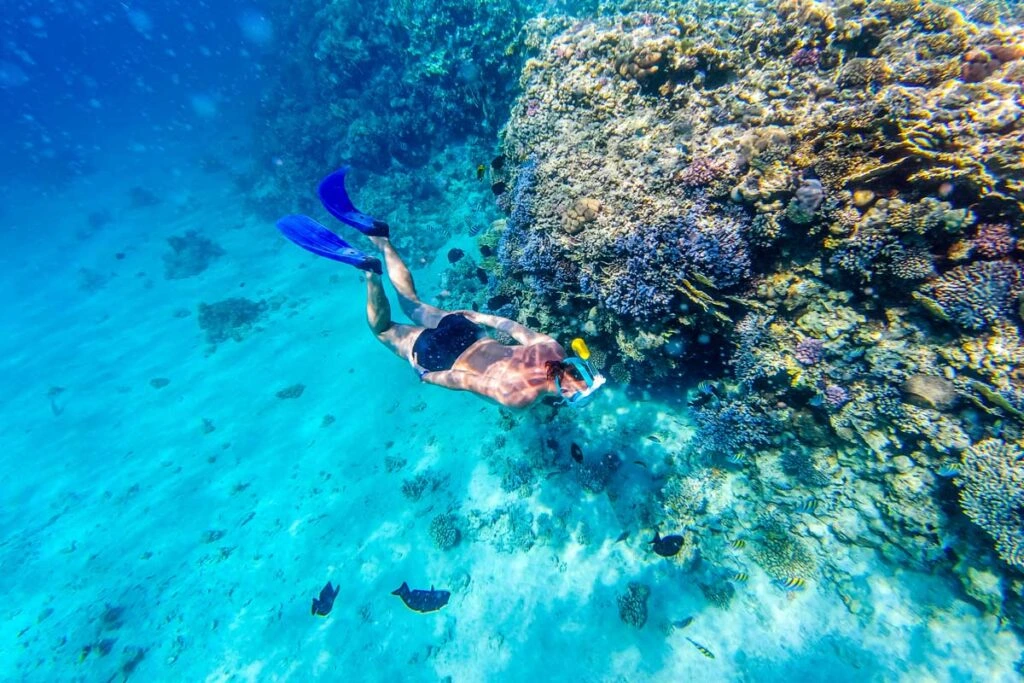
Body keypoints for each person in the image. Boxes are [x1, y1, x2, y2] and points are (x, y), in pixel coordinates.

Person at [276, 167, 605, 409]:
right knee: (383, 329)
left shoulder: (554, 350)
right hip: (442, 356)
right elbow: (465, 381)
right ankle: (369, 273)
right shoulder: (519, 397)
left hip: (468, 331)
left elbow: (514, 327)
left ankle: (381, 240)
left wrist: (478, 316)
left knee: (410, 302)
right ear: (567, 391)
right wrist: (426, 375)